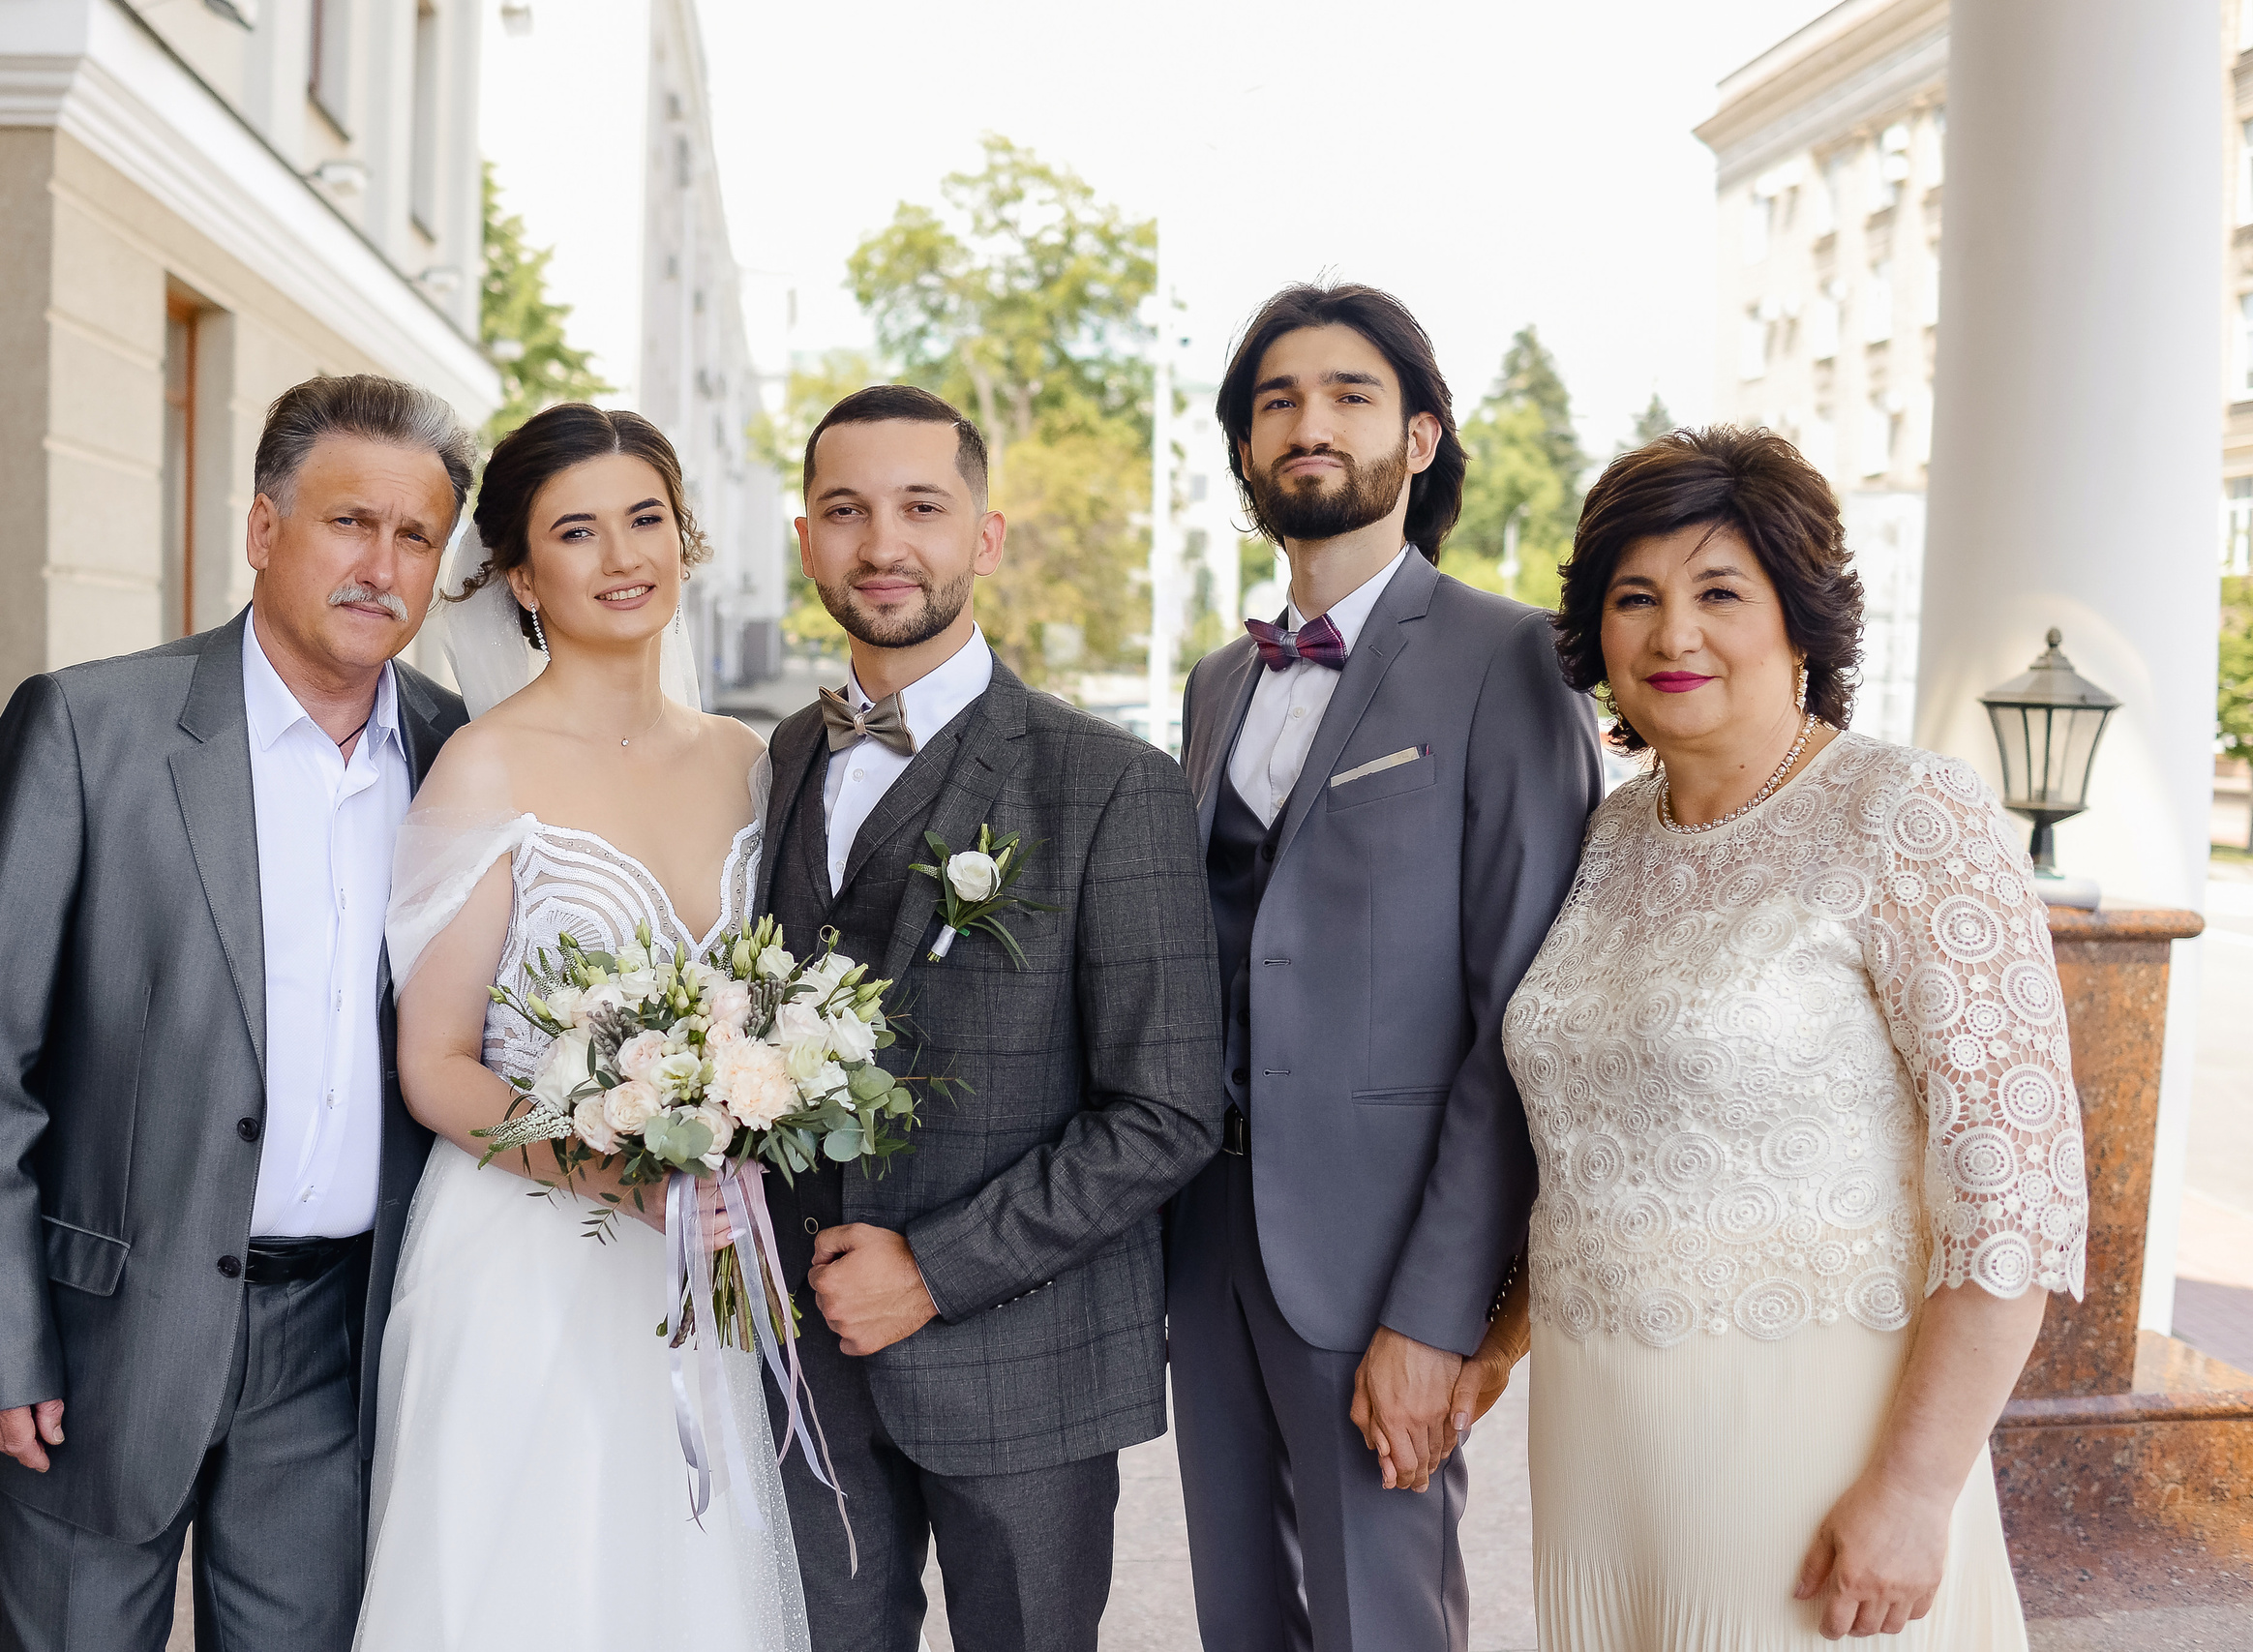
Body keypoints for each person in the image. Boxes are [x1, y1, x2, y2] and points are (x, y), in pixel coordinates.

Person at [0, 375, 475, 1650]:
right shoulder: (87, 727)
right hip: (101, 1334)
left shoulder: (459, 754)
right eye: (349, 521)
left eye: (416, 536)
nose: (381, 565)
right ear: (265, 528)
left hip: (336, 1346)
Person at [1507, 425, 2086, 1647]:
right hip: (1602, 1429)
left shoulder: (1907, 812)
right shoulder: (1608, 837)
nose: (1673, 635)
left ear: (1801, 621)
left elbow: (2014, 1191)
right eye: (1634, 598)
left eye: (1720, 593)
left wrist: (1915, 1489)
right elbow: (1583, 1145)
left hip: (1812, 1426)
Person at [754, 382, 1225, 1652]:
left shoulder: (1111, 783)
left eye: (922, 507)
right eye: (845, 511)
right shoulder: (779, 759)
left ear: (985, 535)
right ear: (806, 541)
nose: (882, 544)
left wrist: (933, 1271)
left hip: (1027, 1356)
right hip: (801, 1358)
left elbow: (1168, 1108)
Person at [1169, 281, 1604, 1652]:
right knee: (1238, 1609)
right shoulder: (1215, 685)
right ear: (1246, 448)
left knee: (1381, 1619)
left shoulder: (1510, 657)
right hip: (1207, 1232)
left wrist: (1440, 1311)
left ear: (1419, 438)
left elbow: (1519, 1012)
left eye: (1350, 395)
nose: (1311, 423)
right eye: (1277, 401)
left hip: (1379, 1246)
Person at [356, 403, 806, 1649]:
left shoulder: (748, 761)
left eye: (645, 519)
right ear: (519, 575)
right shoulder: (485, 766)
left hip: (699, 1264)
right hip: (528, 1255)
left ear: (685, 540)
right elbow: (434, 1063)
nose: (622, 557)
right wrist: (618, 1178)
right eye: (575, 531)